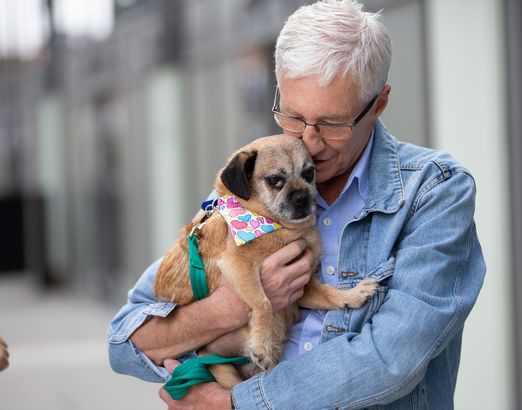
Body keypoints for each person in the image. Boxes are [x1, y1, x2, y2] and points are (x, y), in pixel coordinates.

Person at [108, 0, 486, 408]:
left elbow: (392, 358)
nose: (307, 141)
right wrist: (235, 305)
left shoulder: (433, 192)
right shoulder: (247, 189)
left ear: (379, 103)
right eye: (292, 115)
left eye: (332, 123)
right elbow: (126, 342)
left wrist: (235, 403)